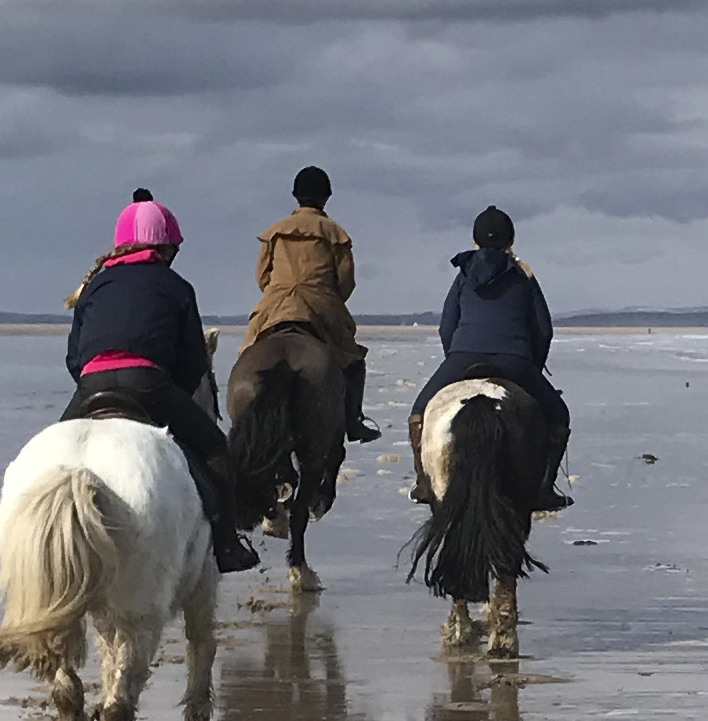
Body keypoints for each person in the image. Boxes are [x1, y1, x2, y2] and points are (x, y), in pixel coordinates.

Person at [63, 193, 261, 571]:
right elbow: (192, 361)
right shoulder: (176, 286)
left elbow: (75, 357)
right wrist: (171, 394)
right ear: (166, 249)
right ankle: (227, 545)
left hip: (91, 387)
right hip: (148, 384)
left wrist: (95, 383)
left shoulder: (93, 287)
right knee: (217, 449)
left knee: (52, 461)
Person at [408, 202, 570, 508]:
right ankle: (544, 488)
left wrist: (455, 360)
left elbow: (447, 326)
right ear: (511, 241)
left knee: (420, 411)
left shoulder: (463, 275)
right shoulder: (523, 275)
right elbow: (544, 330)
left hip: (462, 357)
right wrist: (532, 366)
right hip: (514, 360)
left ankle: (424, 482)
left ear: (475, 241)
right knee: (559, 413)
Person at [242, 163, 381, 439]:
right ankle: (352, 421)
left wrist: (277, 293)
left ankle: (242, 418)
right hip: (321, 304)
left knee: (248, 352)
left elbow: (262, 275)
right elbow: (346, 282)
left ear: (295, 196)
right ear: (326, 197)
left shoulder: (276, 231)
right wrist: (328, 298)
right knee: (353, 360)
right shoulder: (334, 233)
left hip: (276, 303)